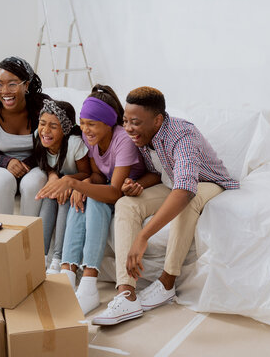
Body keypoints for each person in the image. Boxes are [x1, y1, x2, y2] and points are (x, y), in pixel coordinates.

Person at [91, 86, 240, 326]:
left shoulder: (183, 136)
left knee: (186, 202)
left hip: (210, 182)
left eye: (135, 122)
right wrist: (136, 186)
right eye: (126, 121)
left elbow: (184, 190)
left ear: (157, 119)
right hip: (171, 181)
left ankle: (167, 283)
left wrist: (143, 236)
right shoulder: (143, 136)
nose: (128, 128)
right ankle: (126, 294)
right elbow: (158, 172)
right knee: (127, 204)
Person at [36, 84, 145, 315]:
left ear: (108, 123)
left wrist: (76, 184)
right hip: (107, 188)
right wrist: (83, 184)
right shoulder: (89, 139)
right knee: (83, 198)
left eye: (92, 124)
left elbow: (114, 191)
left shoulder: (122, 140)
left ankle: (88, 285)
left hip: (128, 191)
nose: (85, 129)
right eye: (83, 123)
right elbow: (96, 175)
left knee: (93, 199)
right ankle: (66, 274)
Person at [0, 56, 50, 216]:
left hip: (35, 164)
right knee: (3, 182)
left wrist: (26, 163)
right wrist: (7, 162)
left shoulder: (43, 106)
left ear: (26, 85)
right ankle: (1, 237)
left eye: (12, 84)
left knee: (34, 183)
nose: (5, 91)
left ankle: (28, 237)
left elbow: (55, 146)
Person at [34, 99, 91, 273]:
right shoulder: (39, 137)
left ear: (65, 129)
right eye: (42, 123)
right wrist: (53, 176)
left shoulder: (74, 144)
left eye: (53, 126)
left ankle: (58, 258)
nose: (45, 130)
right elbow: (44, 164)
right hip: (60, 182)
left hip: (76, 183)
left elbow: (87, 173)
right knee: (49, 197)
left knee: (63, 199)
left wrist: (66, 181)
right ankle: (40, 257)